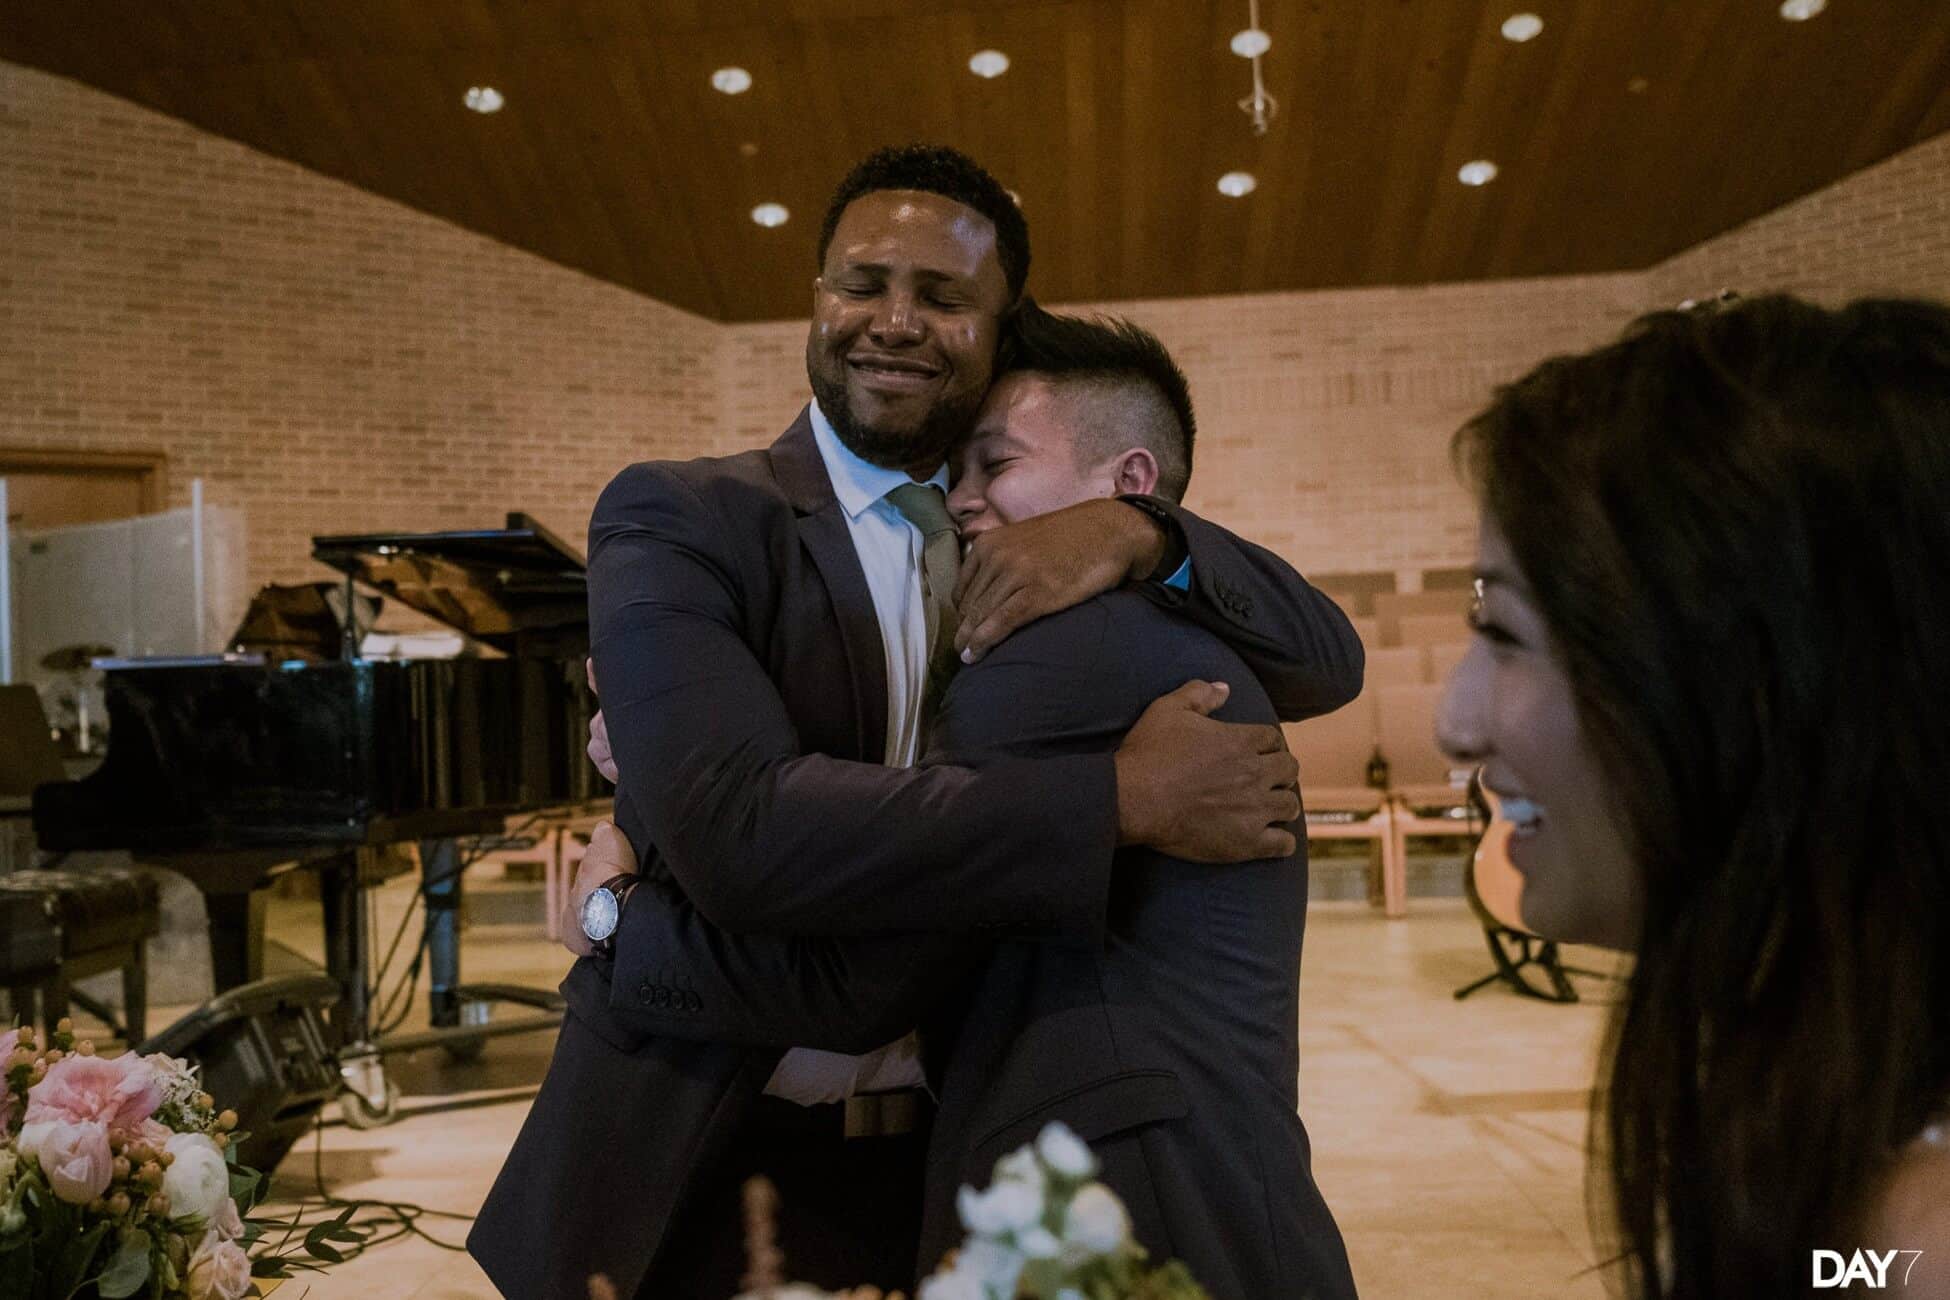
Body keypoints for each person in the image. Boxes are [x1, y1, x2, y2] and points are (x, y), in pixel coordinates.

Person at [469, 145, 1363, 1300]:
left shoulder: (1029, 563)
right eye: (861, 284)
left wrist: (1143, 528)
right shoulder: (688, 514)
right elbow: (736, 825)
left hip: (940, 1166)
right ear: (818, 298)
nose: (894, 320)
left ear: (998, 327)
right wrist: (1118, 800)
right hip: (682, 1161)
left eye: (942, 297)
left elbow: (1325, 653)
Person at [1435, 293, 1950, 1298]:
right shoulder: (1833, 1098)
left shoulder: (1915, 1245)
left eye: (1503, 634)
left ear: (1752, 677)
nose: (1455, 725)